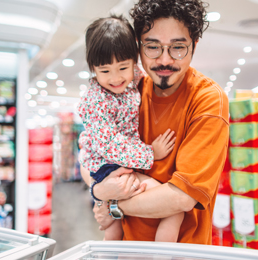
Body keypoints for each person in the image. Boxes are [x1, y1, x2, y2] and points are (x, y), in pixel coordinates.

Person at [81, 0, 230, 244]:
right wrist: (98, 191)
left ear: (194, 45)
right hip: (128, 249)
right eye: (152, 47)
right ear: (138, 47)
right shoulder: (127, 90)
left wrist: (112, 203)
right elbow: (90, 153)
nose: (164, 60)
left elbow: (181, 198)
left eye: (178, 47)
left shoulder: (208, 101)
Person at [77, 14, 184, 242]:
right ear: (93, 68)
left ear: (134, 61)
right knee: (174, 210)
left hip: (119, 163)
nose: (116, 78)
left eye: (123, 68)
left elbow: (144, 74)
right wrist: (150, 153)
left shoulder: (134, 76)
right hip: (110, 164)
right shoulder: (95, 101)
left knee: (114, 229)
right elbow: (109, 146)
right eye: (104, 71)